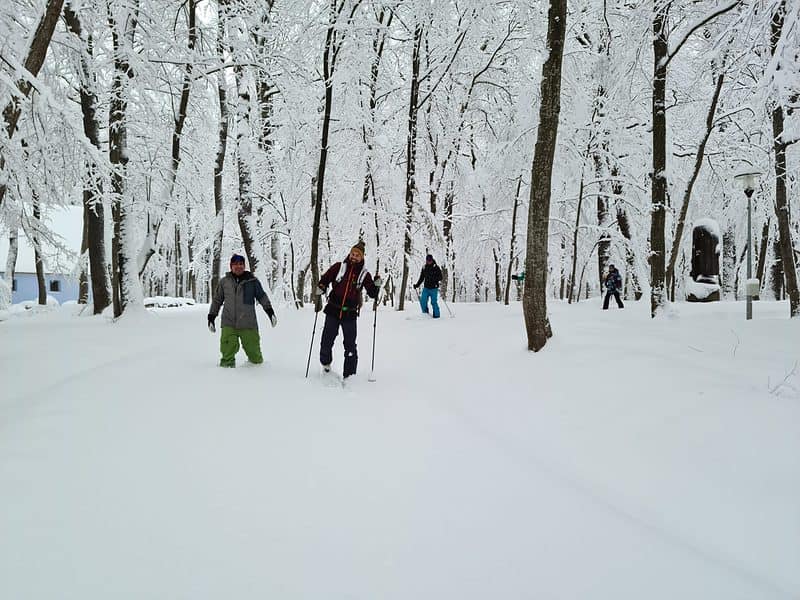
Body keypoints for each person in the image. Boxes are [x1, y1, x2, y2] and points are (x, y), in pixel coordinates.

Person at [314, 241, 381, 379]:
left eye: (357, 255)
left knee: (350, 346)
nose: (354, 257)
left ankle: (349, 376)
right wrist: (321, 286)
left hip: (349, 313)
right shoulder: (339, 267)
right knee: (326, 341)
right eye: (353, 253)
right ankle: (326, 365)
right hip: (333, 309)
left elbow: (372, 293)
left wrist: (376, 285)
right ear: (350, 254)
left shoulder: (364, 274)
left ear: (362, 258)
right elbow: (325, 278)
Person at [208, 253, 277, 367]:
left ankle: (258, 375)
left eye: (241, 264)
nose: (238, 266)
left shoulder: (252, 281)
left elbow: (262, 297)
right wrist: (211, 317)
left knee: (255, 356)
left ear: (244, 266)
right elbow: (217, 300)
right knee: (227, 351)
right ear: (231, 266)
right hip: (229, 322)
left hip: (248, 323)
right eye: (235, 264)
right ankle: (225, 376)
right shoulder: (224, 282)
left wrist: (270, 312)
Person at [413, 254, 443, 318]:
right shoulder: (424, 268)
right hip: (426, 288)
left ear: (432, 260)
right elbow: (421, 278)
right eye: (428, 260)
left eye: (430, 260)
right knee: (423, 301)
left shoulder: (436, 267)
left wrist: (434, 279)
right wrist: (417, 285)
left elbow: (440, 277)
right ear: (426, 260)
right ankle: (425, 314)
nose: (429, 262)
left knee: (433, 302)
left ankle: (437, 316)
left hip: (434, 288)